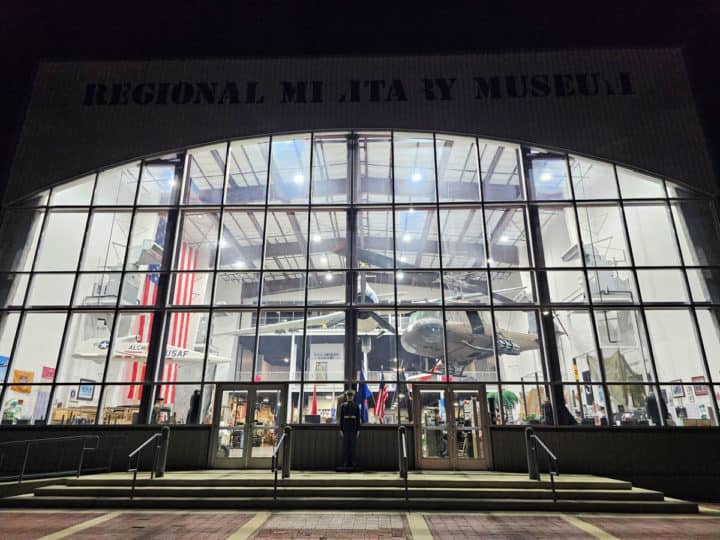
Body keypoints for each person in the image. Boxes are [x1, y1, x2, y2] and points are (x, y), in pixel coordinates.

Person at [338, 389, 361, 470]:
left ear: (353, 397)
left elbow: (358, 418)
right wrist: (340, 429)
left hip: (353, 428)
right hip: (345, 428)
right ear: (347, 397)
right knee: (346, 447)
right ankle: (346, 463)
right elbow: (341, 418)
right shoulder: (343, 406)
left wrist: (358, 429)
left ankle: (353, 464)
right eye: (348, 396)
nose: (350, 397)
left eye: (351, 396)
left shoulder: (356, 406)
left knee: (353, 447)